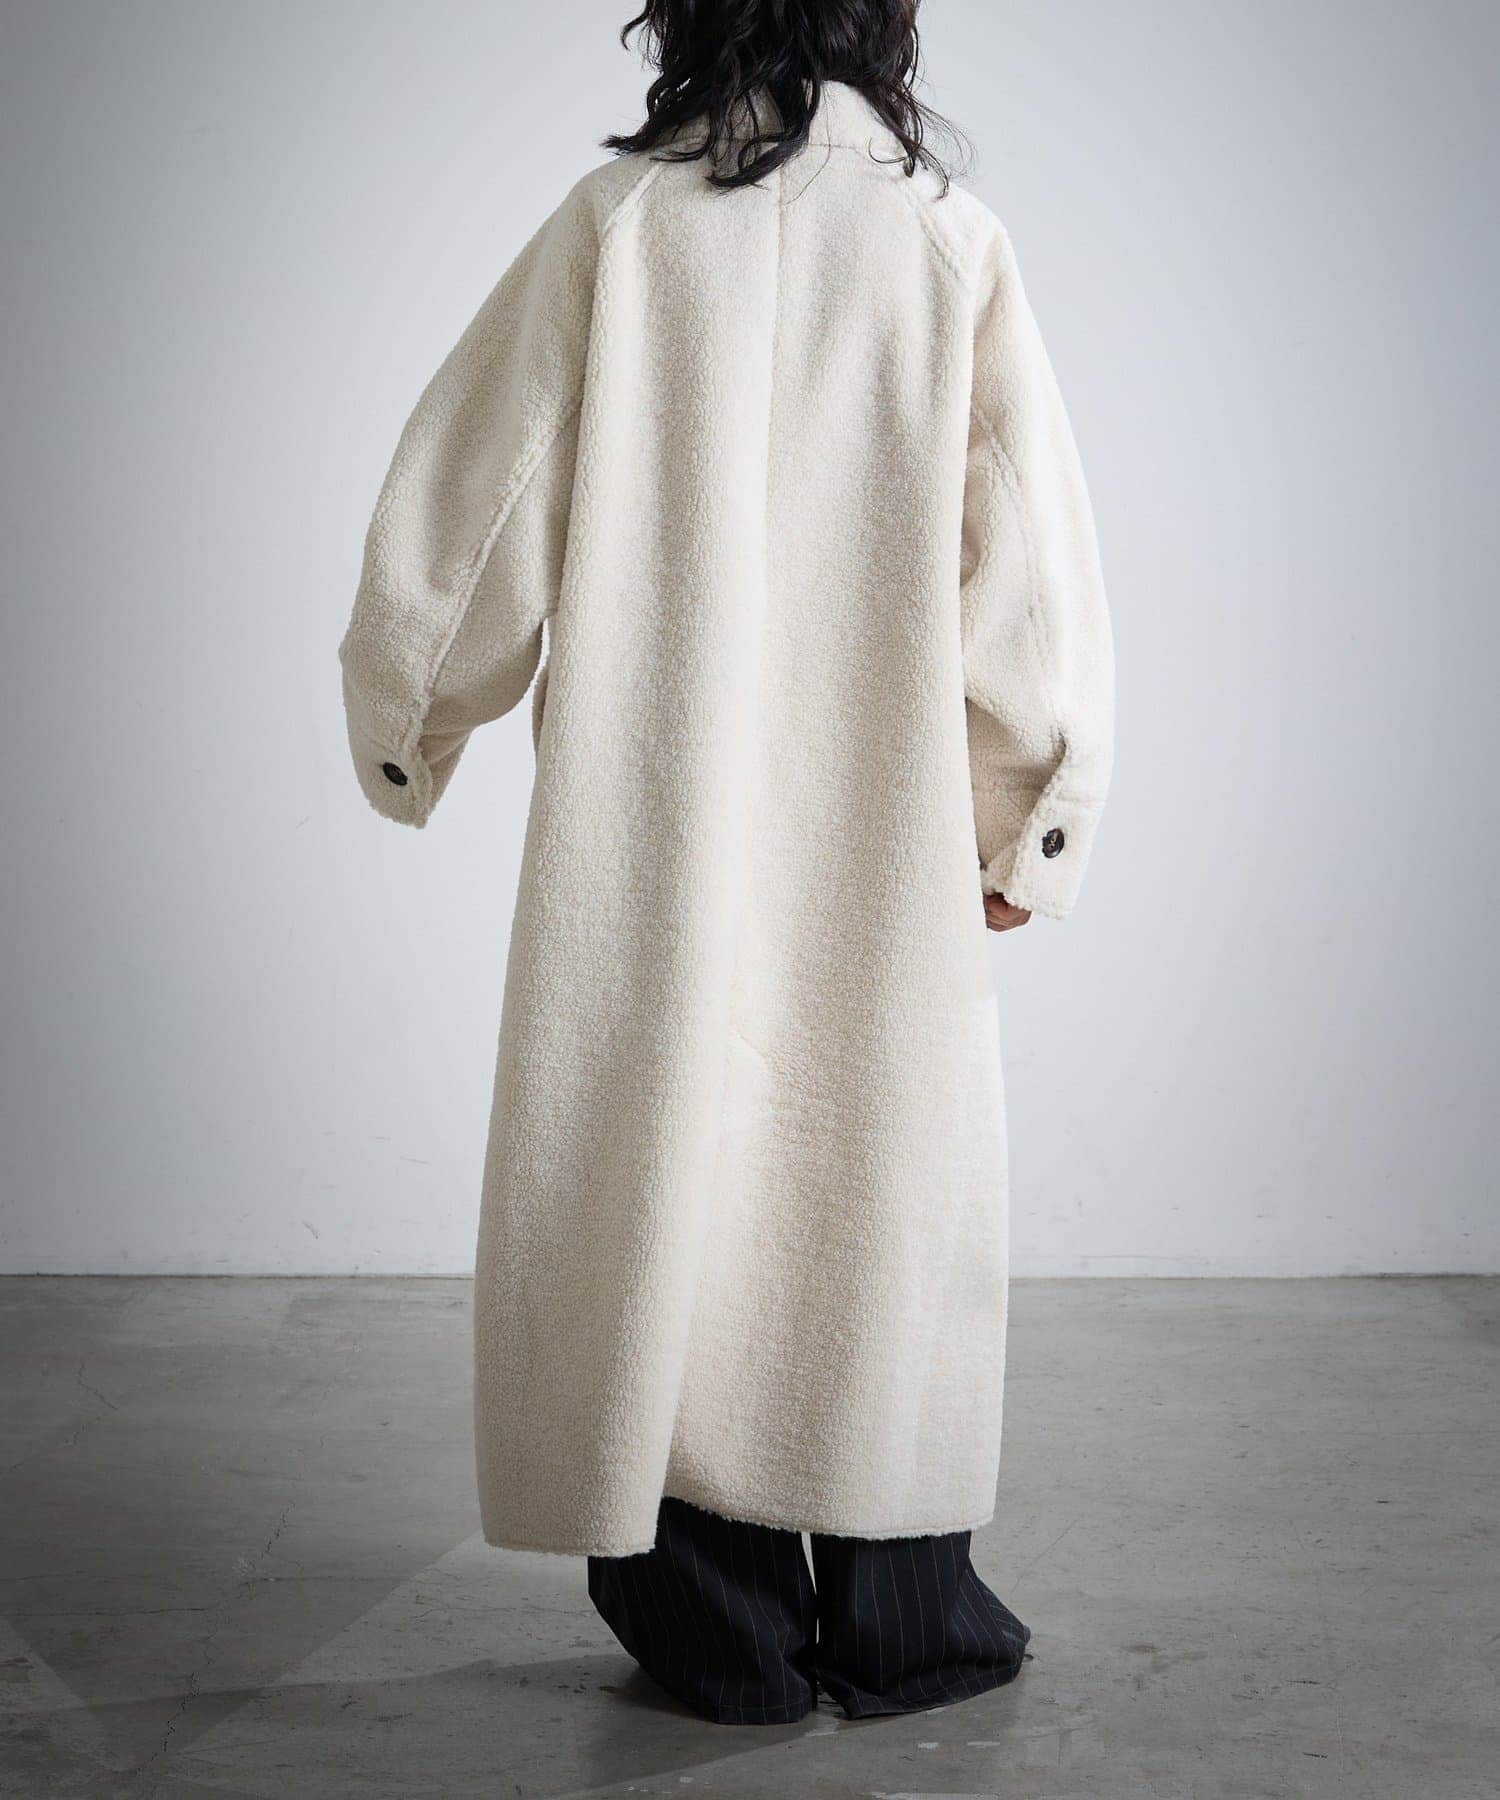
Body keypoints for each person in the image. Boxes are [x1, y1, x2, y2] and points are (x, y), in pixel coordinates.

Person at [338, 0, 1113, 1725]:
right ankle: (907, 1611)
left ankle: (711, 1622)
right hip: (880, 827)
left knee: (655, 1178)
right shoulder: (945, 247)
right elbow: (1026, 563)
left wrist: (410, 718)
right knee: (877, 1180)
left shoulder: (618, 232)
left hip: (651, 815)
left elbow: (475, 504)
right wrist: (1030, 811)